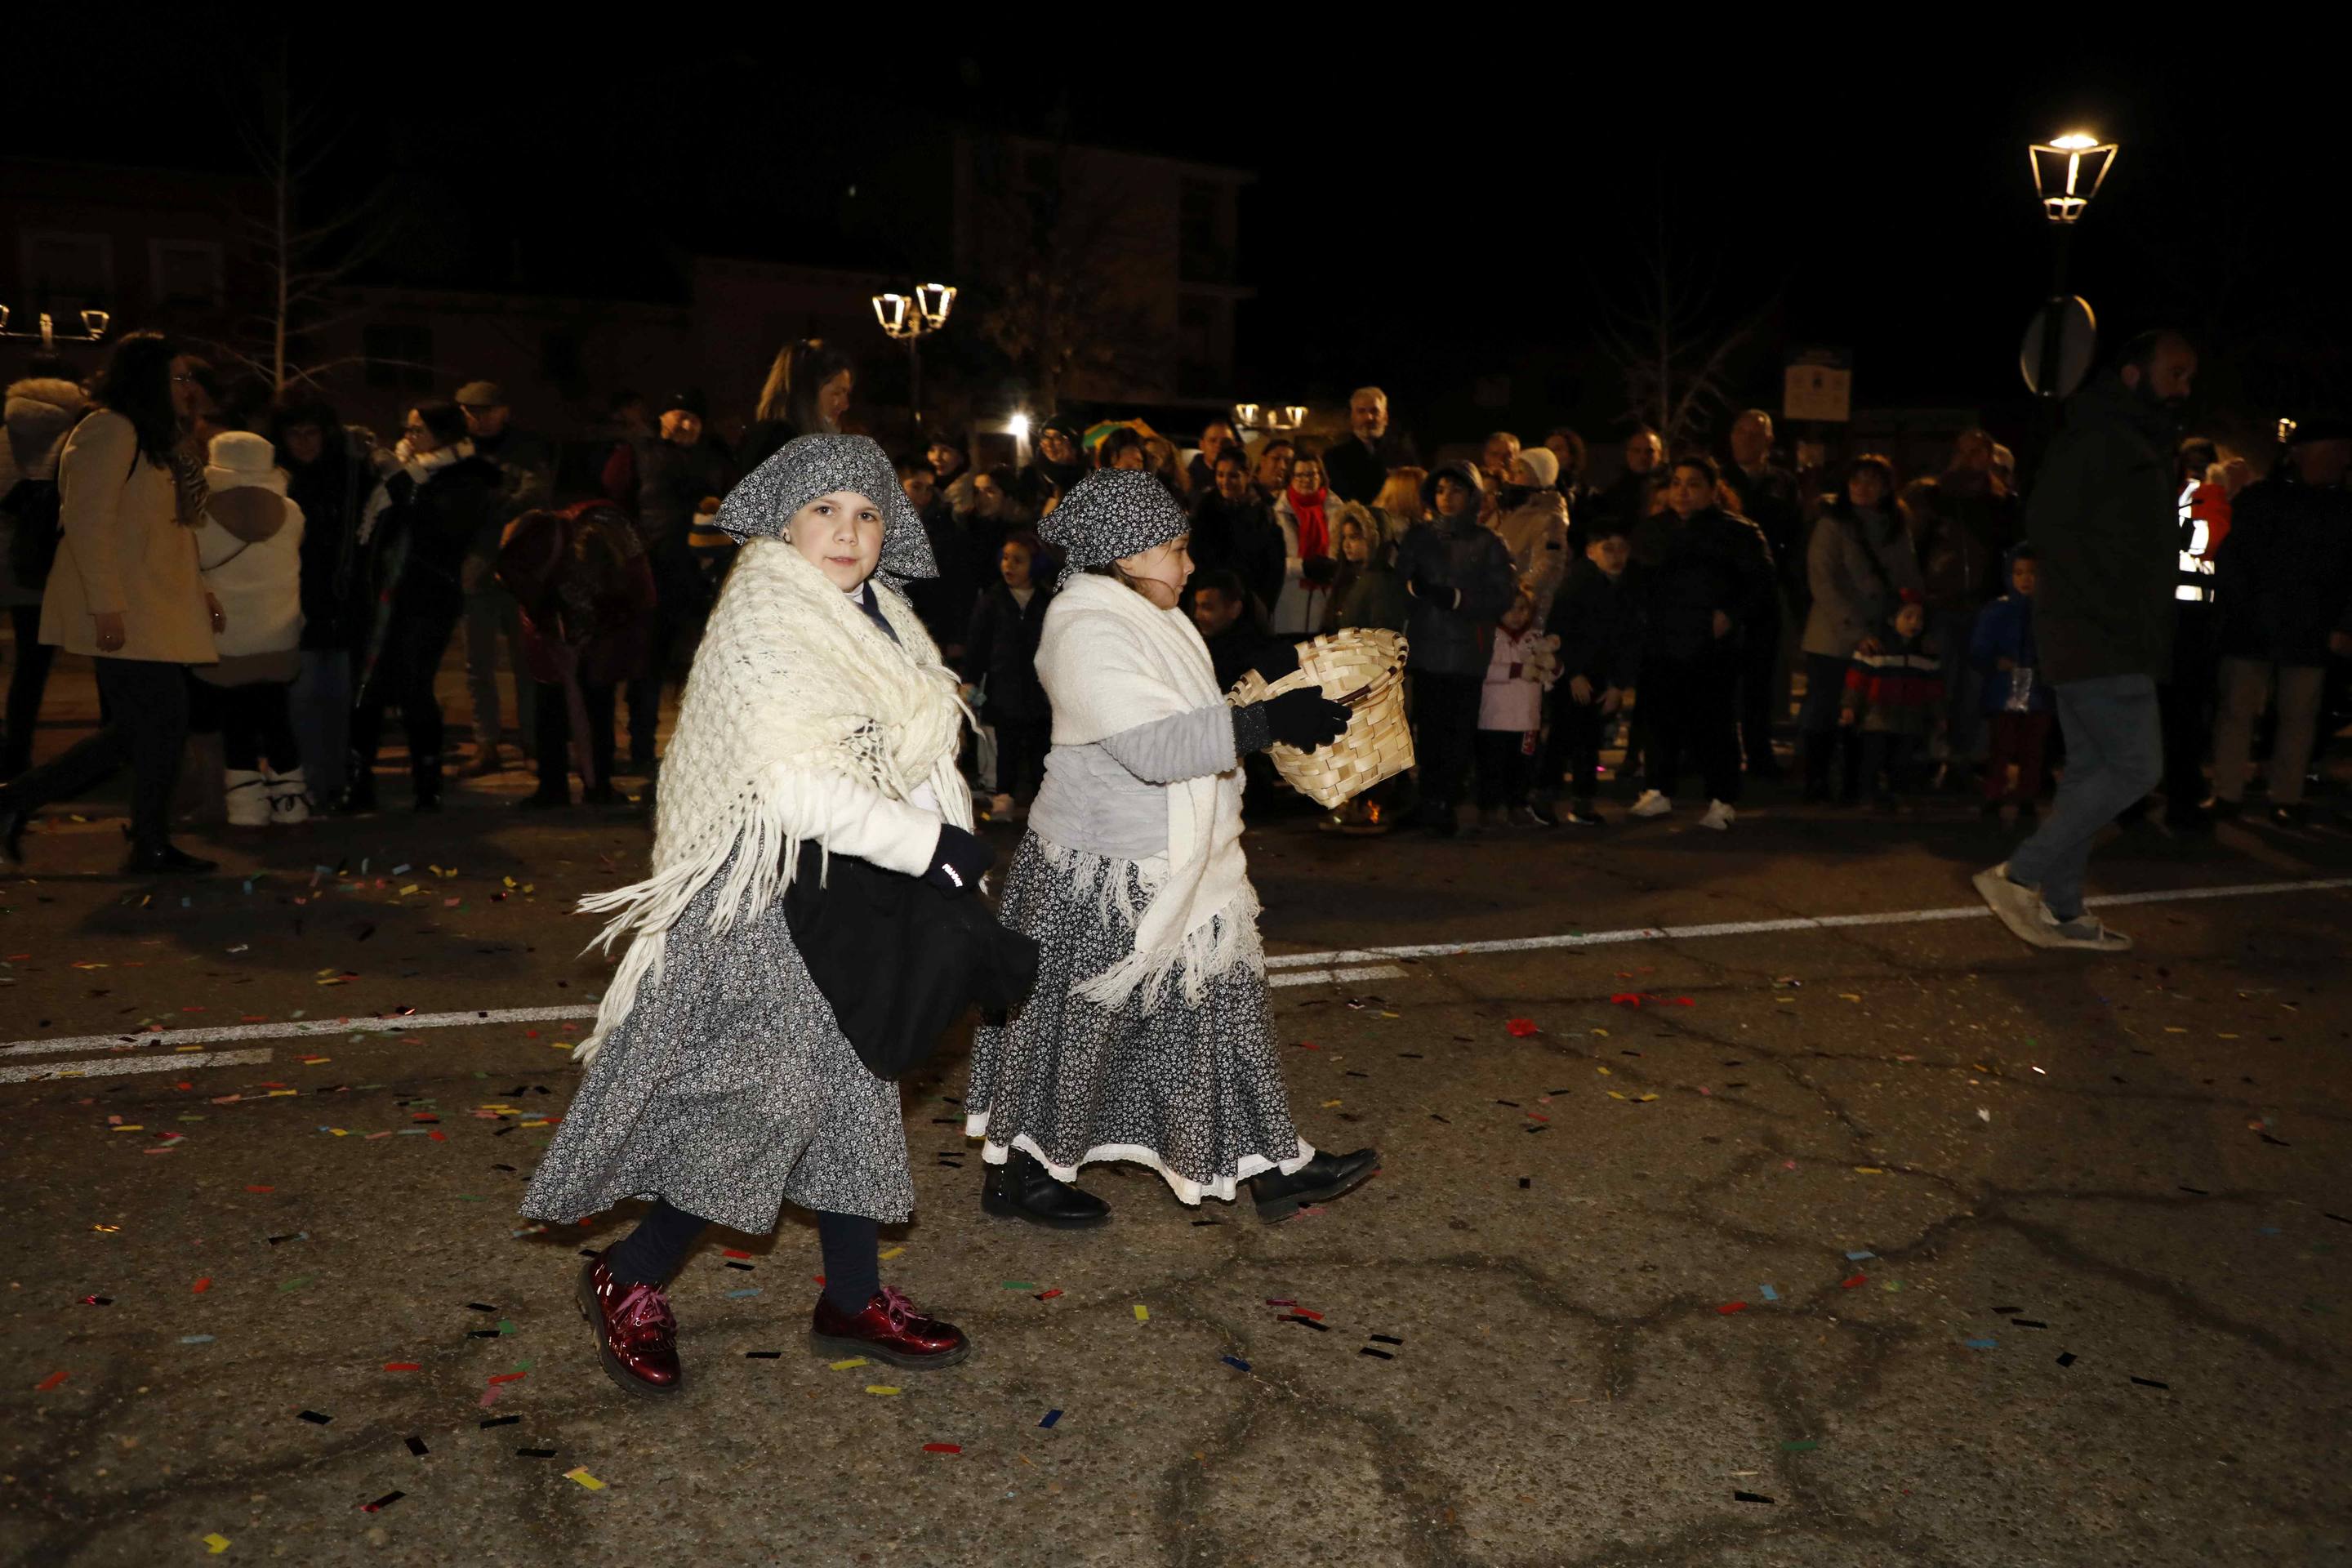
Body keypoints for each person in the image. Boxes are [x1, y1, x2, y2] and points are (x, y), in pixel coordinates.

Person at [523, 434, 988, 1395]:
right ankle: (632, 1272)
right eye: (825, 510)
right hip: (762, 895)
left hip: (854, 893)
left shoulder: (882, 612)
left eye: (867, 513)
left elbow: (924, 750)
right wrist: (930, 850)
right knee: (763, 1099)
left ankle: (852, 1296)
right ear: (784, 520)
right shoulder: (767, 613)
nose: (848, 531)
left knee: (853, 1085)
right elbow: (792, 787)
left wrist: (951, 864)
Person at [961, 468, 1376, 1227]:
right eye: (1176, 550)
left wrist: (1268, 699)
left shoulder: (1149, 613)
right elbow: (1154, 746)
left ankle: (1276, 1165)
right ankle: (1023, 1170)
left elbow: (1189, 711)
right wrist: (1264, 726)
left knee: (1224, 1008)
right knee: (1075, 1026)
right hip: (1105, 866)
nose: (1189, 568)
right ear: (1122, 553)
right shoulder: (1084, 627)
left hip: (1179, 856)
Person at [1975, 330, 2197, 953]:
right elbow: (2047, 523)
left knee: (2090, 773)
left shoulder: (2128, 439)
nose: (2185, 387)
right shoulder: (2106, 438)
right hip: (2101, 631)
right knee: (2136, 766)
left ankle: (2065, 911)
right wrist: (2116, 595)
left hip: (2102, 629)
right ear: (2133, 375)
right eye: (2175, 373)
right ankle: (2020, 875)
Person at [0, 332, 220, 874]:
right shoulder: (109, 430)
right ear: (149, 379)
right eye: (179, 377)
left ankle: (143, 839)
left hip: (156, 603)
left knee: (145, 728)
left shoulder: (156, 437)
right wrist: (106, 607)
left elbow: (171, 532)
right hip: (126, 606)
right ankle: (138, 837)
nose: (189, 388)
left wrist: (203, 592)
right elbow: (87, 524)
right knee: (158, 723)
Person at [345, 399, 503, 812]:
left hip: (427, 598)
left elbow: (442, 530)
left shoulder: (467, 475)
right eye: (408, 428)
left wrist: (399, 480)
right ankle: (359, 782)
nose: (409, 437)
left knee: (415, 686)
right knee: (368, 687)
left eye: (419, 430)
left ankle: (427, 785)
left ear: (443, 435)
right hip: (381, 597)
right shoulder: (401, 472)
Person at [2205, 417, 2352, 826]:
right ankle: (2228, 791)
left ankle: (2285, 795)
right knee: (2238, 710)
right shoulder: (2260, 499)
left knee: (2298, 715)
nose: (2342, 458)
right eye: (2334, 448)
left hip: (2308, 627)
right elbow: (2231, 558)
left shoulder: (2341, 506)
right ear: (2302, 452)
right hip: (2253, 624)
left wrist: (2343, 623)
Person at [1624, 455, 1775, 830]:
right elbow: (1635, 583)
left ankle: (1722, 798)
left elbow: (1761, 584)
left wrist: (1731, 614)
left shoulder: (1738, 532)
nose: (1683, 492)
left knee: (1715, 721)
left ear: (1712, 490)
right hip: (1662, 639)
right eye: (1676, 483)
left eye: (1693, 484)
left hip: (1711, 642)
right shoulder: (1652, 530)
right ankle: (1658, 788)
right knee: (1659, 719)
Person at [604, 390, 735, 771]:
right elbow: (616, 498)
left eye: (694, 418)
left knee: (701, 667)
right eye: (679, 415)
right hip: (653, 571)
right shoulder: (636, 454)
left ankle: (702, 752)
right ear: (662, 418)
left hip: (702, 577)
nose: (687, 424)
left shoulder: (715, 457)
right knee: (647, 664)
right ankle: (642, 748)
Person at [501, 499, 657, 810]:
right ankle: (555, 786)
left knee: (595, 701)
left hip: (605, 625)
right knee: (554, 702)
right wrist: (552, 629)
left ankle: (595, 784)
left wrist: (588, 636)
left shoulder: (608, 541)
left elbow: (636, 596)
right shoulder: (533, 549)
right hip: (557, 625)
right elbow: (531, 594)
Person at [192, 432, 309, 826]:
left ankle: (247, 811)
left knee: (235, 722)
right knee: (277, 717)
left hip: (225, 641)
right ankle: (292, 805)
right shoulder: (292, 513)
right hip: (280, 636)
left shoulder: (198, 516)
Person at [1396, 461, 1517, 835]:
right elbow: (1399, 583)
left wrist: (1459, 598)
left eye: (1457, 490)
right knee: (1427, 730)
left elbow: (1502, 594)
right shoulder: (1419, 537)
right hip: (1425, 647)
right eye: (1441, 490)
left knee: (1457, 731)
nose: (1448, 498)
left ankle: (1445, 803)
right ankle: (1429, 799)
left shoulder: (1488, 542)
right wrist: (1412, 589)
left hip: (1466, 652)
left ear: (1473, 496)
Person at [270, 397, 374, 806]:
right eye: (294, 434)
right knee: (304, 698)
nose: (303, 443)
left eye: (311, 433)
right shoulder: (277, 480)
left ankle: (336, 782)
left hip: (343, 602)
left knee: (340, 698)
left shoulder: (347, 475)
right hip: (295, 603)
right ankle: (313, 782)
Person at [1798, 456, 1922, 803]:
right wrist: (1855, 631)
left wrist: (1909, 614)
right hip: (1833, 635)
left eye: (1871, 481)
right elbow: (1824, 582)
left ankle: (1856, 779)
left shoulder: (1895, 526)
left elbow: (1907, 576)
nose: (1861, 488)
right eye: (1856, 481)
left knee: (1865, 709)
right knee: (1825, 706)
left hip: (1881, 632)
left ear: (1885, 488)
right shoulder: (1833, 524)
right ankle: (1817, 779)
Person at [453, 381, 551, 776]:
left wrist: (486, 504)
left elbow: (536, 493)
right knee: (477, 665)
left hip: (518, 569)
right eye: (472, 411)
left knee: (525, 662)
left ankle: (532, 742)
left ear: (504, 411)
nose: (480, 418)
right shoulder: (457, 451)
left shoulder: (527, 448)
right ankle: (486, 743)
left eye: (488, 410)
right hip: (473, 569)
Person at [1, 368, 84, 779]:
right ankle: (110, 745)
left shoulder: (4, 434)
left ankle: (13, 752)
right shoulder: (74, 437)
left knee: (23, 666)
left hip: (8, 564)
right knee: (45, 663)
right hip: (52, 563)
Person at [1723, 411, 1802, 779]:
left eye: (1755, 434)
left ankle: (1759, 752)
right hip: (1725, 589)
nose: (1746, 440)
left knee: (1760, 677)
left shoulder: (1783, 483)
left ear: (1769, 441)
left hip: (1766, 590)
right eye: (1740, 432)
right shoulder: (1720, 478)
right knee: (1722, 677)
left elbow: (1795, 533)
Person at [1543, 523, 1637, 826]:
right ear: (1591, 551)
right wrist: (1573, 674)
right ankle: (1546, 796)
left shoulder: (1625, 587)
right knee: (1562, 736)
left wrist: (1618, 685)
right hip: (1573, 676)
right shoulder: (1578, 585)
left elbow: (1628, 640)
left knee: (1588, 739)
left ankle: (1582, 801)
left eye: (1621, 548)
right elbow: (1560, 631)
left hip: (1599, 676)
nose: (1616, 556)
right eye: (1608, 548)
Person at [964, 531, 1056, 817]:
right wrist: (969, 678)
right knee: (1006, 746)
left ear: (1036, 565)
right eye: (1005, 558)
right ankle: (1003, 794)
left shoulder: (1047, 601)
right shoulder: (993, 600)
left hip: (1039, 690)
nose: (1009, 566)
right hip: (1004, 687)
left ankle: (1045, 800)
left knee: (1041, 746)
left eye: (1018, 560)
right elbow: (977, 644)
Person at [1971, 545, 2053, 819]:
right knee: (2001, 745)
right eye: (2019, 573)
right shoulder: (1997, 611)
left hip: (2038, 690)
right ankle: (1994, 793)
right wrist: (1995, 663)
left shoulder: (2048, 613)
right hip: (2004, 687)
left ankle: (2027, 796)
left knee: (2033, 747)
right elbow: (1979, 648)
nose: (2025, 579)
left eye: (2032, 573)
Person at [1838, 591, 1943, 809]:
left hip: (1909, 718)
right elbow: (1857, 681)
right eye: (1908, 617)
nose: (1915, 623)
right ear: (1892, 619)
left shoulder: (1925, 653)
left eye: (1919, 618)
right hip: (1878, 716)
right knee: (1873, 757)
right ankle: (1869, 794)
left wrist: (1939, 714)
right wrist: (1849, 706)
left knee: (1902, 760)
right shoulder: (1877, 649)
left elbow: (1933, 689)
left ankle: (1895, 794)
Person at [1475, 590, 1557, 829]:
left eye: (1523, 609)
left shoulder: (1535, 639)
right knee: (1492, 766)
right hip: (1494, 718)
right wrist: (1517, 671)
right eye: (1511, 608)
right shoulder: (1490, 636)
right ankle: (1489, 808)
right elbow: (1483, 670)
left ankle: (1517, 805)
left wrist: (1551, 668)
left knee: (1523, 766)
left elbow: (1550, 674)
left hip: (1527, 719)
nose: (1517, 615)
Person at [1187, 450, 1285, 617]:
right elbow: (1195, 559)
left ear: (1247, 476)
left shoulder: (1264, 514)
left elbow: (1274, 567)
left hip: (1247, 604)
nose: (1225, 482)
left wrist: (1262, 603)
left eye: (1233, 475)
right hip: (1209, 603)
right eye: (1220, 475)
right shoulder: (1203, 511)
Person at [898, 457, 977, 660]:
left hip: (931, 627)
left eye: (928, 489)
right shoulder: (875, 524)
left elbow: (958, 585)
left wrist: (956, 637)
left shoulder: (945, 530)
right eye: (916, 487)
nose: (923, 495)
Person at [739, 339, 854, 473]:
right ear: (807, 394)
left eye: (846, 393)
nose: (845, 405)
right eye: (836, 393)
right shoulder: (779, 444)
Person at [1491, 447, 1572, 621]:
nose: (1513, 477)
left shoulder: (1550, 518)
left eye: (1521, 472)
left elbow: (1549, 567)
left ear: (1540, 478)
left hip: (1521, 614)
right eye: (1513, 471)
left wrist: (1516, 592)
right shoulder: (1510, 510)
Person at [1268, 449, 1339, 635]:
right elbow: (1270, 562)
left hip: (1327, 601)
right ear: (1290, 478)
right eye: (1299, 475)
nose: (1306, 480)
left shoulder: (1338, 511)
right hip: (1289, 605)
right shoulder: (1276, 514)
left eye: (1311, 474)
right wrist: (1303, 567)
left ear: (1321, 476)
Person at [1322, 386, 1421, 502]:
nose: (1369, 418)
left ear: (1385, 417)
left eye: (1375, 411)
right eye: (1361, 411)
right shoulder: (1333, 458)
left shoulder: (1404, 456)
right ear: (1352, 417)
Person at [1327, 500, 1407, 635]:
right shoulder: (1348, 577)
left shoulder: (1382, 582)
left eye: (1354, 537)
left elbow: (1383, 635)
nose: (1346, 544)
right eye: (1344, 537)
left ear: (1373, 539)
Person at [1188, 568, 1265, 692]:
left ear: (1235, 609)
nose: (1197, 615)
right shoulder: (1197, 643)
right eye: (1197, 606)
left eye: (1207, 608)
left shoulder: (1250, 659)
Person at [1589, 427, 1664, 539]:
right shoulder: (1614, 493)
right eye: (1636, 451)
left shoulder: (1670, 488)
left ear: (1659, 455)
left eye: (1649, 451)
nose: (1643, 457)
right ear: (1628, 454)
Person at [1027, 417, 1088, 499]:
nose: (1048, 443)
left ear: (1073, 448)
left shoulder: (1091, 475)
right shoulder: (1036, 480)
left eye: (1057, 437)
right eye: (1044, 436)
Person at [1544, 428, 1592, 525]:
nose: (1550, 454)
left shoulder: (1586, 493)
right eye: (1547, 450)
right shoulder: (1540, 490)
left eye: (1557, 449)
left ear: (1572, 455)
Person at [1186, 417, 1241, 497]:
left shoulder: (1242, 476)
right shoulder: (1189, 480)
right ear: (1202, 445)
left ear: (1234, 444)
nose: (1219, 445)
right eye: (1213, 440)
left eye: (1226, 441)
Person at [1250, 437, 1297, 503]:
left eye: (1288, 461)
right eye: (1276, 459)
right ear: (1263, 460)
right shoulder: (1245, 492)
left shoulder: (1289, 498)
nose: (1282, 466)